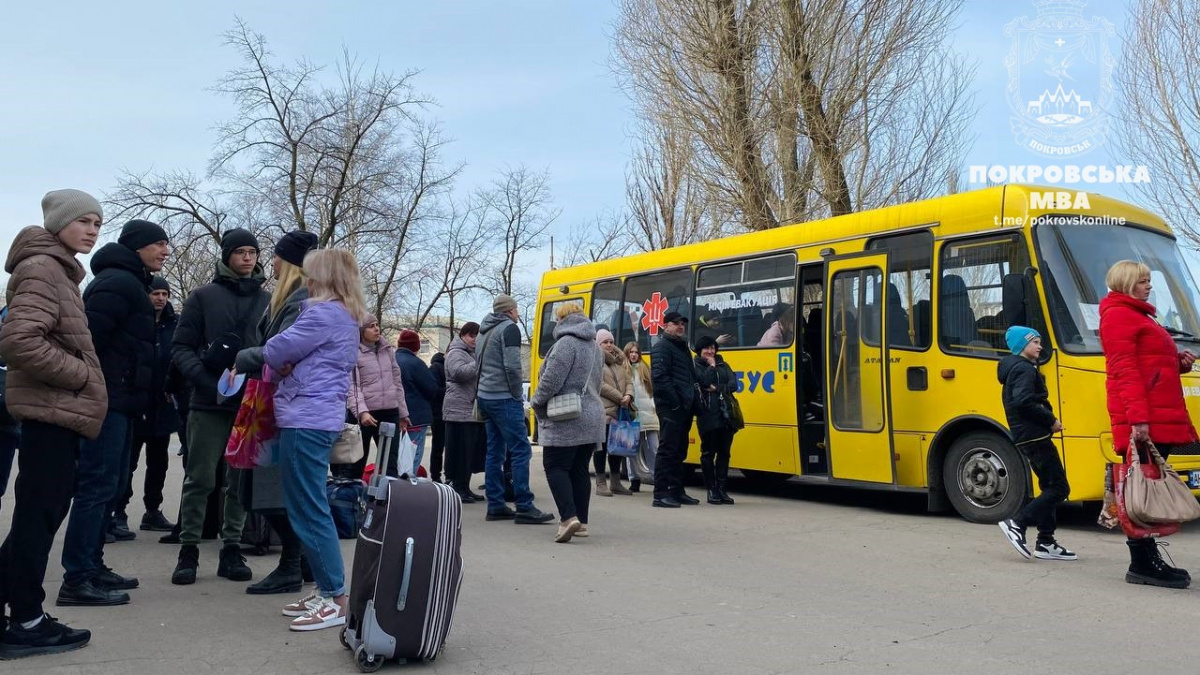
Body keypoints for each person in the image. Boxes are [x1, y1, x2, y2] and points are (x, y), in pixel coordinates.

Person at [0, 189, 108, 658]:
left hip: (56, 414)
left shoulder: (59, 270)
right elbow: (20, 340)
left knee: (37, 518)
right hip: (50, 413)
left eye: (98, 224)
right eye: (83, 221)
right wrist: (82, 376)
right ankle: (25, 621)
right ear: (59, 222)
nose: (91, 230)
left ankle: (23, 613)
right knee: (36, 520)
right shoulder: (43, 268)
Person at [59, 219, 169, 607]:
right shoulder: (118, 284)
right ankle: (77, 577)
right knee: (96, 486)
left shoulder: (131, 282)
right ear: (138, 247)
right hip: (107, 401)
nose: (165, 251)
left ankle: (93, 565)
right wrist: (105, 385)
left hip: (122, 402)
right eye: (158, 244)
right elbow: (87, 342)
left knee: (109, 485)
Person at [264, 248, 363, 631]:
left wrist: (284, 360)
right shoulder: (344, 313)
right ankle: (326, 589)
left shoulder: (322, 312)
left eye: (310, 273)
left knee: (307, 506)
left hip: (306, 416)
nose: (304, 278)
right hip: (314, 416)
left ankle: (335, 596)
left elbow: (275, 349)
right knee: (307, 504)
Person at [170, 228, 269, 586]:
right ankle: (189, 551)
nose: (247, 257)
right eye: (240, 251)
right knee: (200, 478)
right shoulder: (203, 297)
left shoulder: (269, 301)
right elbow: (180, 347)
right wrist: (206, 381)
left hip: (250, 403)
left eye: (252, 251)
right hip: (208, 402)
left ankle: (231, 549)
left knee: (239, 480)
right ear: (227, 255)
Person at [231, 229, 320, 595]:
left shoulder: (301, 298)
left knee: (268, 488)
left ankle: (291, 564)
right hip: (269, 398)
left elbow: (281, 351)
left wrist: (240, 358)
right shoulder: (285, 299)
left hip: (280, 403)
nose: (272, 262)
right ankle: (301, 561)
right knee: (259, 486)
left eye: (277, 256)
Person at [1099, 260, 1198, 589]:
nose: (1148, 286)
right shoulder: (1118, 315)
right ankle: (1142, 563)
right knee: (1139, 491)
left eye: (1148, 280)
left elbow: (1148, 366)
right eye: (1142, 281)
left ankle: (1146, 560)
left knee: (1146, 489)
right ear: (1126, 282)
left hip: (1155, 415)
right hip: (1144, 420)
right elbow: (1124, 370)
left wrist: (1177, 363)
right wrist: (1137, 420)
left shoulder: (1139, 315)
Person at [996, 326, 1074, 561]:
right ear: (1021, 346)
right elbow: (1023, 402)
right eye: (1035, 342)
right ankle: (1017, 523)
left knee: (1049, 487)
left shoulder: (1015, 368)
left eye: (1040, 342)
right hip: (1034, 434)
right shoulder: (1024, 370)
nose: (1040, 346)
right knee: (1060, 488)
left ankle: (1046, 542)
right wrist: (1050, 420)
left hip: (1027, 435)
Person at [477, 294, 554, 524]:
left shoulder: (483, 330)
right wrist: (515, 393)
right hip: (503, 397)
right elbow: (511, 366)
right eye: (516, 309)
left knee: (494, 452)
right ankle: (524, 505)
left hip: (485, 396)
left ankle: (496, 505)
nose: (518, 313)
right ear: (510, 311)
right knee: (521, 450)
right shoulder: (509, 329)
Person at [531, 303, 605, 543]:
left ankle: (567, 518)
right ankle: (581, 522)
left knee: (555, 466)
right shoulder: (596, 347)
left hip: (567, 416)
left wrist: (536, 403)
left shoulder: (565, 344)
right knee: (579, 469)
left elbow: (551, 381)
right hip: (592, 415)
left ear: (561, 320)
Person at [114, 276, 180, 536]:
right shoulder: (135, 322)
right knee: (127, 461)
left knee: (158, 462)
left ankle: (152, 510)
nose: (160, 298)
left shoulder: (174, 325)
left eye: (165, 293)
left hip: (163, 405)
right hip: (136, 402)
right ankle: (118, 511)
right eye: (156, 293)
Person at [339, 315, 409, 479]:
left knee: (390, 464)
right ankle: (350, 498)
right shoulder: (353, 352)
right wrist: (362, 412)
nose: (377, 329)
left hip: (389, 412)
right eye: (371, 326)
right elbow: (351, 385)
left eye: (377, 325)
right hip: (364, 414)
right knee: (356, 462)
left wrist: (403, 413)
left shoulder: (387, 350)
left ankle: (388, 500)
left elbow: (397, 382)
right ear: (361, 331)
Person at [650, 311, 700, 508]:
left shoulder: (683, 347)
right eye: (675, 323)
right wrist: (677, 402)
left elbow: (690, 376)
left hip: (684, 407)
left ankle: (677, 491)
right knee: (668, 449)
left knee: (680, 450)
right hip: (670, 407)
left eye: (682, 323)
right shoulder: (662, 346)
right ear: (665, 326)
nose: (680, 326)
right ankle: (660, 494)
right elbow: (661, 379)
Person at [693, 336, 739, 505]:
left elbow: (734, 385)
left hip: (726, 415)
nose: (710, 352)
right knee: (708, 453)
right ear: (700, 350)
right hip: (707, 415)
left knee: (724, 453)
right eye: (706, 348)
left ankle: (722, 489)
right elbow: (703, 381)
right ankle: (711, 490)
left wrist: (717, 388)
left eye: (713, 348)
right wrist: (711, 367)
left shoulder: (724, 365)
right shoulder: (696, 365)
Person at [443, 323, 486, 503]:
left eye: (477, 336)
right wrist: (479, 364)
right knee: (459, 450)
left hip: (471, 410)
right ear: (463, 336)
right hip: (457, 410)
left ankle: (465, 486)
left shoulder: (472, 353)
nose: (475, 339)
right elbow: (458, 372)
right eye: (471, 336)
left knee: (469, 451)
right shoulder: (455, 352)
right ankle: (457, 486)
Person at [596, 329, 633, 496]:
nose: (609, 345)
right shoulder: (595, 361)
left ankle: (616, 482)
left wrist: (629, 395)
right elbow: (600, 385)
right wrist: (620, 397)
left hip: (621, 410)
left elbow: (629, 381)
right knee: (601, 448)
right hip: (603, 411)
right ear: (598, 344)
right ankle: (600, 483)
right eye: (605, 342)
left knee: (618, 448)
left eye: (611, 342)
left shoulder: (620, 362)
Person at [396, 330, 438, 477]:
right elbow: (432, 388)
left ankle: (392, 491)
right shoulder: (416, 363)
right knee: (411, 457)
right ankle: (407, 490)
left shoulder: (390, 360)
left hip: (393, 415)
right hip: (415, 417)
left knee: (395, 457)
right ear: (416, 346)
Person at [624, 341, 658, 493]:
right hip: (632, 415)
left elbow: (652, 394)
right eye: (631, 352)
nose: (633, 355)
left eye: (636, 352)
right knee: (631, 451)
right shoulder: (623, 370)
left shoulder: (645, 369)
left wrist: (653, 408)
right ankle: (634, 479)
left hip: (649, 415)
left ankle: (657, 477)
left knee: (654, 448)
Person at [429, 351, 447, 483]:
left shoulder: (441, 367)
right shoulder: (436, 368)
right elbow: (434, 391)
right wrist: (451, 388)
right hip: (439, 413)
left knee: (440, 446)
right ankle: (436, 475)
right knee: (438, 446)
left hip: (442, 413)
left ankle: (439, 475)